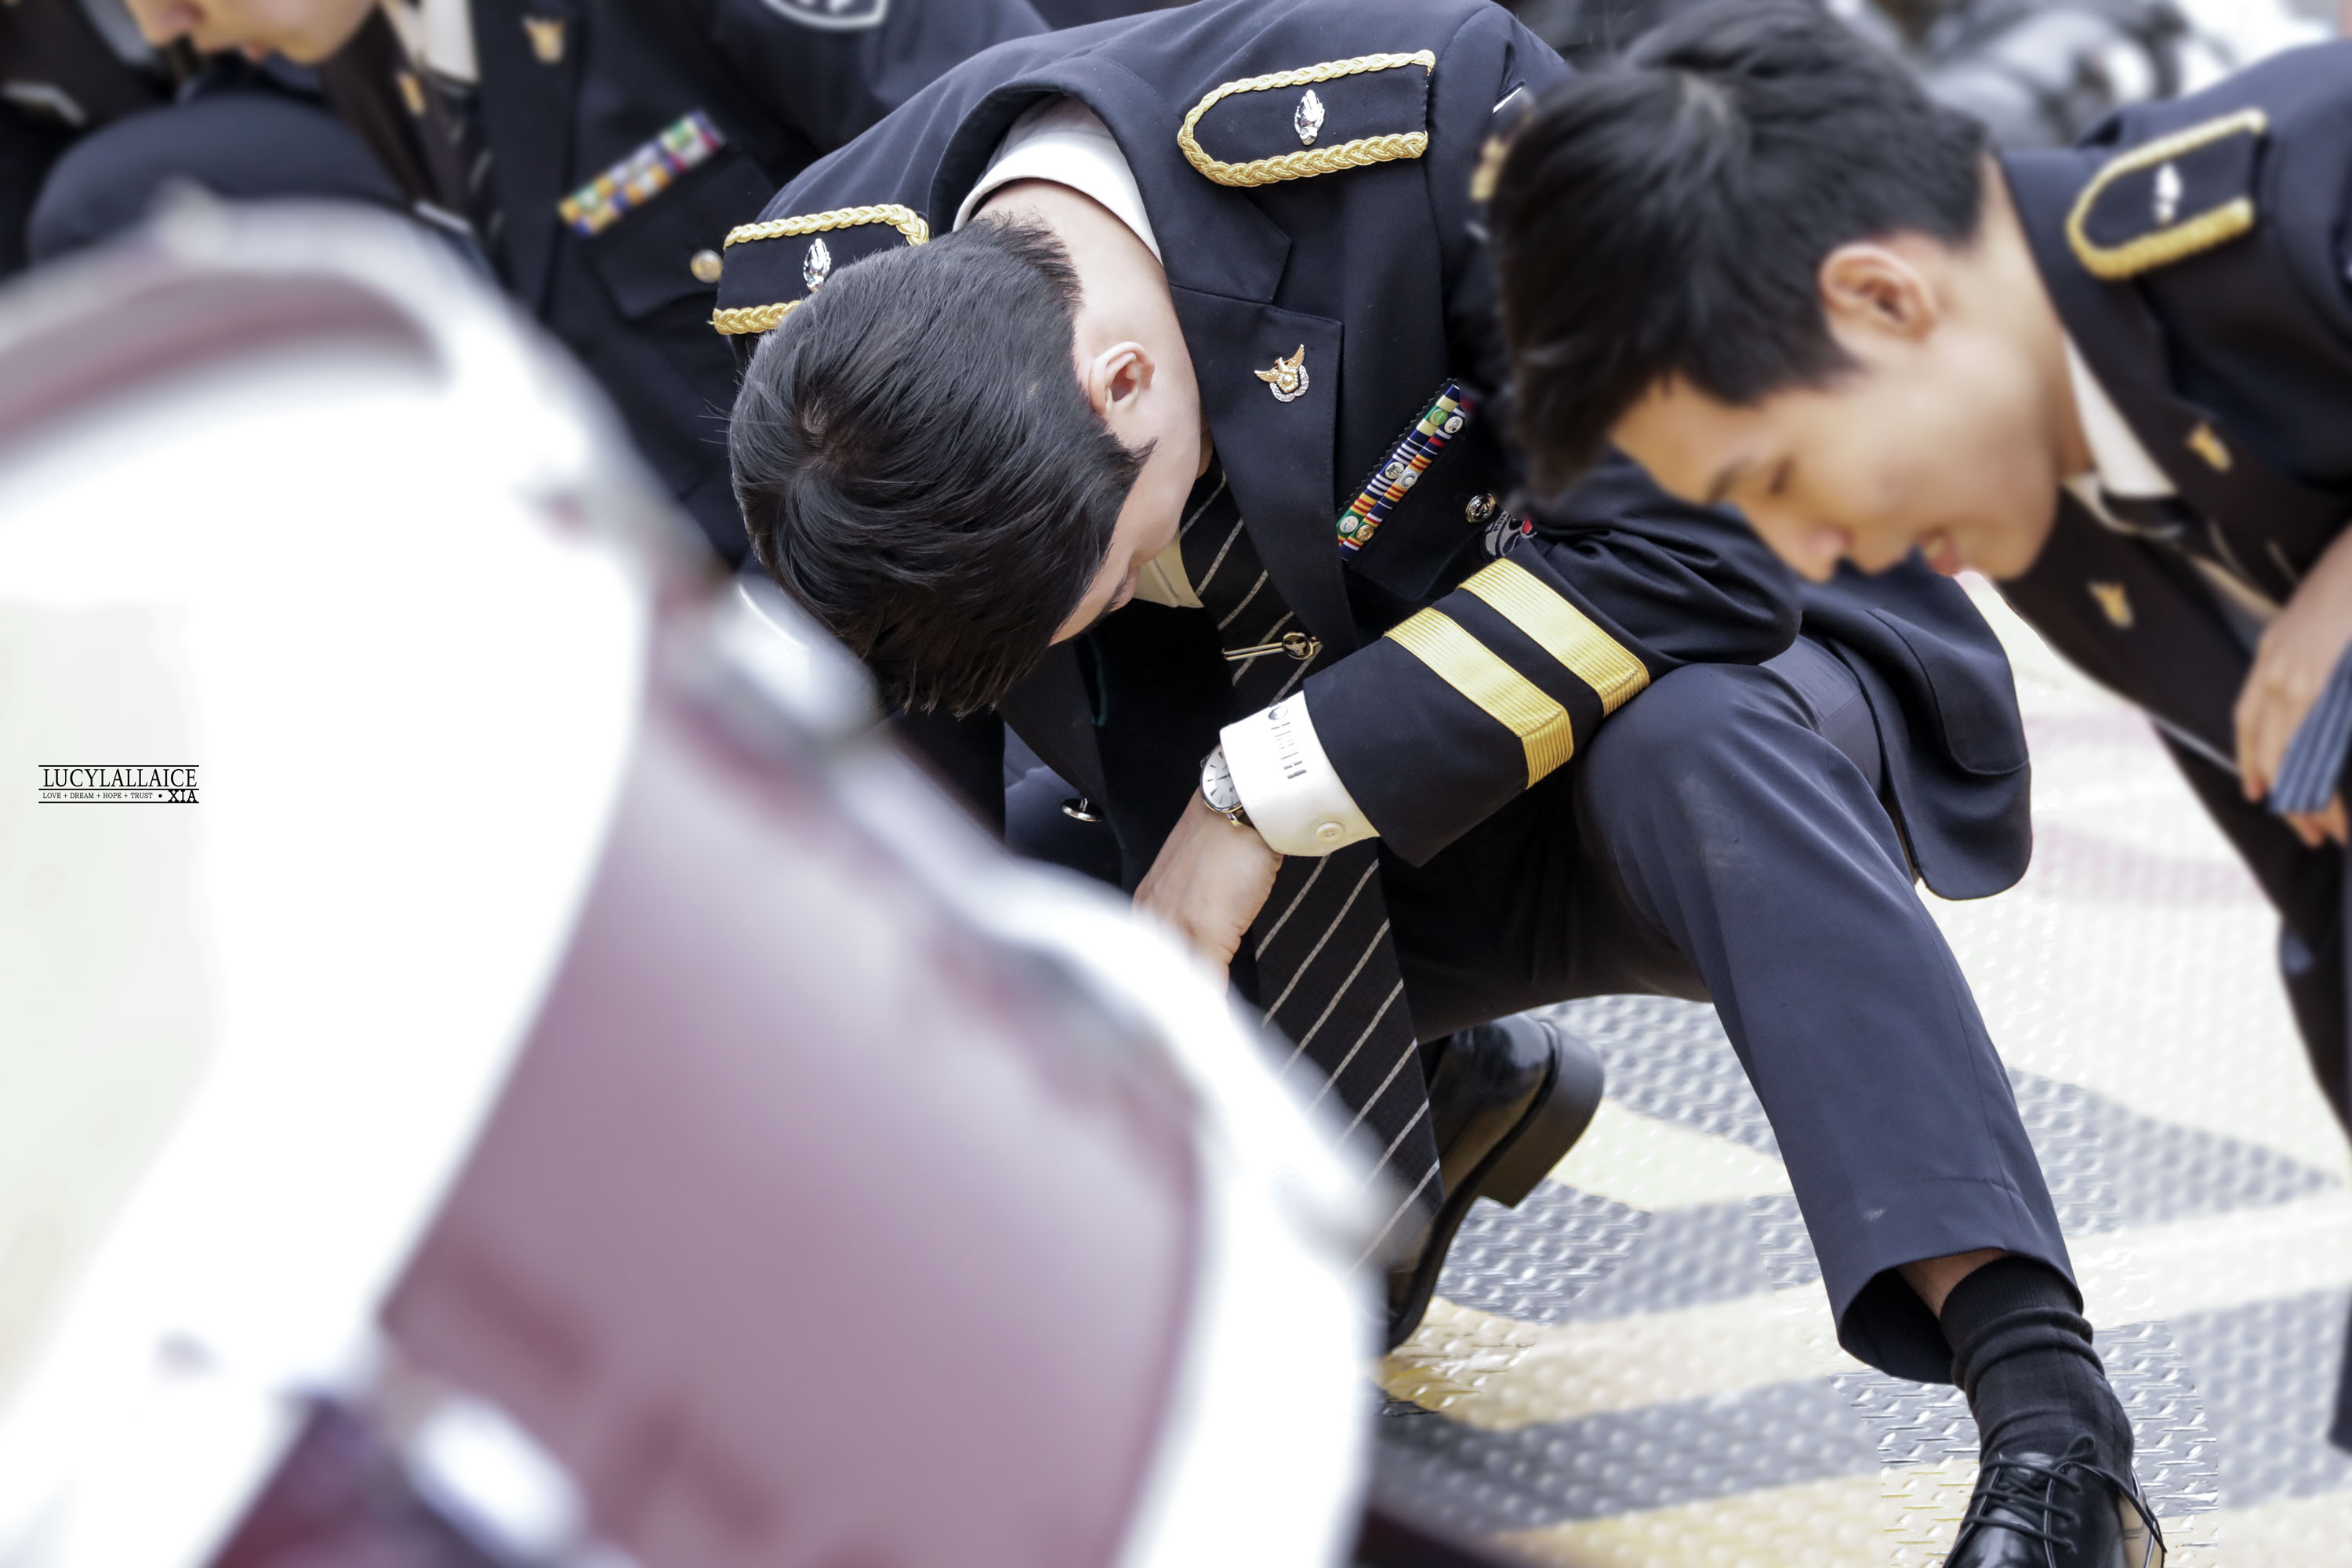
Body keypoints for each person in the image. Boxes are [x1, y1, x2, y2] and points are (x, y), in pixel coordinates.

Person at [715, 0, 2141, 1535]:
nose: (1124, 595)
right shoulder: (817, 333)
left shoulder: (1436, 117)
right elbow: (890, 819)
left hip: (1686, 701)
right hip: (1259, 828)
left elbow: (1690, 551)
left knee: (1705, 745)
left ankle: (2051, 1422)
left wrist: (1258, 799)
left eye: (1116, 573)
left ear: (1121, 380)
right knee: (998, 933)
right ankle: (1409, 1094)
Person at [1486, 0, 2352, 1555]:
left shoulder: (2294, 187)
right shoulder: (2067, 514)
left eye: (1778, 480)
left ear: (1884, 299)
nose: (1821, 557)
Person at [42, 0, 1053, 564]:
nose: (164, 28)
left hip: (988, 551)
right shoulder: (376, 62)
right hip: (780, 618)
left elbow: (1017, 148)